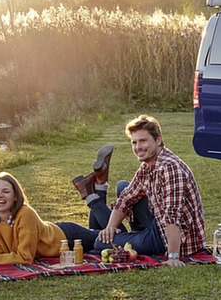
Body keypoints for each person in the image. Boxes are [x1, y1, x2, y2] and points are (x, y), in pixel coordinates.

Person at [71, 114, 205, 267]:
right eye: (134, 142)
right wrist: (110, 228)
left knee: (100, 244)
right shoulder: (148, 165)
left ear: (158, 140)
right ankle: (110, 221)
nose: (138, 147)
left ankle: (91, 195)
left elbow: (172, 217)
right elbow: (126, 198)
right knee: (123, 187)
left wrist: (173, 256)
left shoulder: (169, 168)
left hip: (175, 240)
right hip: (158, 223)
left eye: (143, 141)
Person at [0, 171, 98, 266]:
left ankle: (95, 192)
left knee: (110, 238)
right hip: (45, 230)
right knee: (105, 232)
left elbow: (25, 257)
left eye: (5, 192)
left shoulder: (25, 214)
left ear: (16, 196)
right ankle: (97, 191)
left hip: (66, 237)